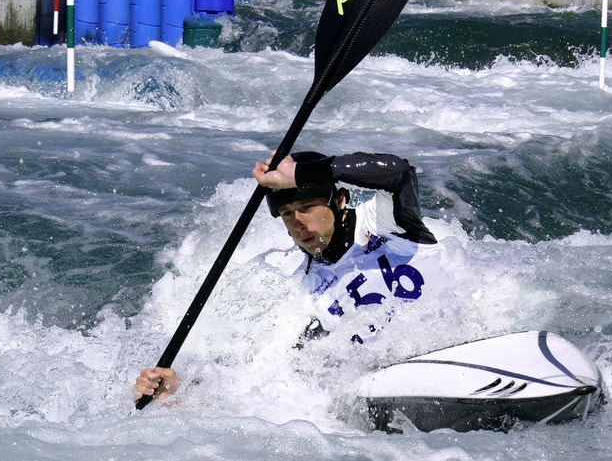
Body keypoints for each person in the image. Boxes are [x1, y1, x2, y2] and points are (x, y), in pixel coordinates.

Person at [134, 151, 446, 403]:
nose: (298, 223)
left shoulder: (383, 222)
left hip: (463, 335)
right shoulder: (305, 290)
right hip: (404, 374)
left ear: (340, 201)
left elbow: (399, 172)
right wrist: (182, 391)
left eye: (308, 207)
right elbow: (276, 379)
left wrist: (301, 175)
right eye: (287, 213)